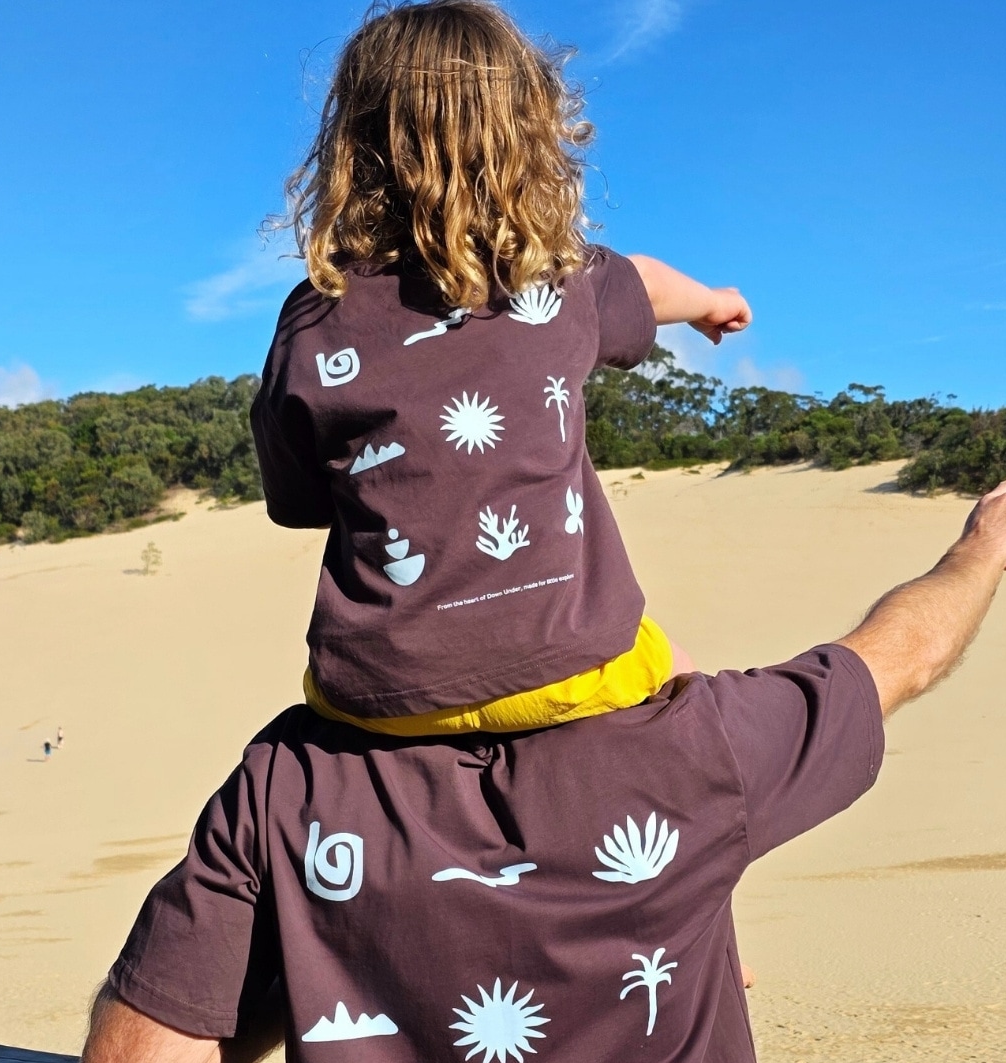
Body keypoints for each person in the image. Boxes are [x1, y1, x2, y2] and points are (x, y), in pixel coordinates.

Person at [82, 469, 1006, 1063]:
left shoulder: (289, 780)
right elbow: (903, 653)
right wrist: (980, 550)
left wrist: (339, 957)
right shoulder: (691, 748)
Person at [248, 1, 749, 741]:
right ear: (531, 133)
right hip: (572, 662)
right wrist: (712, 302)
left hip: (376, 692)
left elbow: (297, 503)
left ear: (353, 147)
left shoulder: (312, 314)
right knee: (685, 683)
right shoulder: (562, 279)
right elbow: (644, 282)